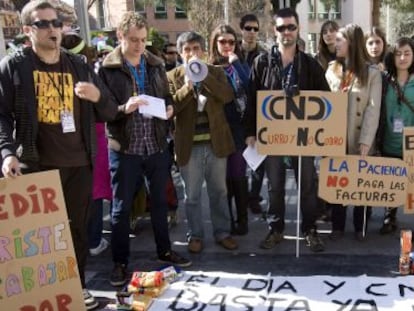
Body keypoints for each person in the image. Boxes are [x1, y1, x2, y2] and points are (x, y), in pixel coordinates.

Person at [0, 1, 118, 309]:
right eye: (43, 24)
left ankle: (76, 288)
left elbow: (109, 110)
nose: (53, 28)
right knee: (39, 238)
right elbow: (1, 115)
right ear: (28, 30)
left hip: (80, 164)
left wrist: (98, 96)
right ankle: (41, 295)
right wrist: (7, 152)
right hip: (37, 165)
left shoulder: (78, 64)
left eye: (56, 22)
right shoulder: (15, 66)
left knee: (77, 231)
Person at [98, 12, 192, 287]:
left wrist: (170, 108)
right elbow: (102, 109)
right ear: (120, 36)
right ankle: (120, 262)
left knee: (161, 204)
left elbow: (165, 97)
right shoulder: (107, 68)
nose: (139, 45)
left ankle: (164, 250)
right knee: (121, 208)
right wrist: (122, 109)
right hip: (125, 148)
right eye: (133, 40)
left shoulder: (155, 64)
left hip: (156, 145)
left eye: (142, 39)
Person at [244, 7, 328, 252]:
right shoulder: (262, 63)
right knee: (275, 185)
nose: (287, 32)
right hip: (272, 138)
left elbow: (327, 101)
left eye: (291, 27)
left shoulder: (310, 65)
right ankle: (276, 228)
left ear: (298, 28)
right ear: (274, 30)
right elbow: (251, 101)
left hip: (304, 138)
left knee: (308, 185)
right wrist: (250, 132)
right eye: (281, 27)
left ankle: (310, 229)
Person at [167, 31, 238, 254]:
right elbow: (170, 107)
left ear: (203, 51)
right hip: (189, 147)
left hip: (216, 144)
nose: (192, 53)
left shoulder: (215, 72)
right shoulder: (172, 76)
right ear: (180, 53)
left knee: (219, 192)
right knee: (192, 196)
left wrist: (203, 77)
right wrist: (188, 86)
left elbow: (227, 96)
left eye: (196, 48)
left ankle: (222, 232)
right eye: (187, 49)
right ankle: (195, 235)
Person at [325, 23, 382, 241]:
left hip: (360, 137)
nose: (335, 43)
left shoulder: (372, 73)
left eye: (339, 39)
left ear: (351, 42)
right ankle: (337, 225)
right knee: (338, 180)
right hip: (336, 137)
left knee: (360, 182)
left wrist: (366, 140)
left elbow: (373, 109)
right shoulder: (332, 69)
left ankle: (361, 225)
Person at [60, 31, 110, 256]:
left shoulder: (80, 75)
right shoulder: (90, 74)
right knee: (94, 192)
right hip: (91, 142)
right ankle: (93, 240)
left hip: (79, 143)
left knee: (84, 194)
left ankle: (86, 240)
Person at [209, 24, 250, 235]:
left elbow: (250, 87)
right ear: (215, 43)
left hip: (239, 131)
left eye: (231, 42)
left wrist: (237, 64)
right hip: (216, 130)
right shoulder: (208, 68)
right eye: (222, 41)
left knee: (238, 176)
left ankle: (242, 219)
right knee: (222, 182)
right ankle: (228, 221)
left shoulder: (238, 65)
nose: (226, 46)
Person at [377, 37, 414, 234]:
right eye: (398, 53)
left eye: (407, 53)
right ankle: (389, 217)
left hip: (411, 144)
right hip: (388, 141)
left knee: (411, 184)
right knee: (389, 183)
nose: (402, 58)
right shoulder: (384, 81)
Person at [239, 13, 266, 214]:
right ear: (241, 29)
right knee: (238, 161)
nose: (252, 32)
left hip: (258, 114)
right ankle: (241, 197)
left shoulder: (263, 55)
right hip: (235, 114)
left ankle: (254, 197)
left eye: (255, 29)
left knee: (259, 161)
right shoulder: (232, 52)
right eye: (248, 28)